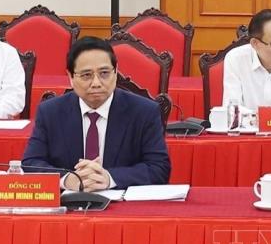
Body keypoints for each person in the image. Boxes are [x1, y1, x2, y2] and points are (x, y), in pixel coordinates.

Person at [22, 37, 170, 190]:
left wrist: (110, 178)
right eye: (86, 75)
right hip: (70, 201)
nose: (96, 83)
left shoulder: (144, 112)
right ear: (71, 77)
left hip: (120, 201)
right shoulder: (50, 112)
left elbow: (159, 169)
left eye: (104, 73)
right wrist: (66, 180)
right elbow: (30, 163)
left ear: (115, 72)